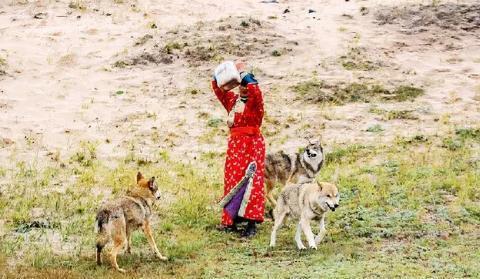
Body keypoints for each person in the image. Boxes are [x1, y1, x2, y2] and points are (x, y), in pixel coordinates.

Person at [211, 62, 265, 237]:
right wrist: (219, 75)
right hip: (235, 147)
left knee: (252, 182)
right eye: (240, 86)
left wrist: (243, 74)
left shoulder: (256, 102)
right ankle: (231, 221)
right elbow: (219, 90)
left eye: (245, 85)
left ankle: (252, 223)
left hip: (252, 145)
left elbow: (255, 90)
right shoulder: (233, 101)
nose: (243, 89)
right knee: (233, 182)